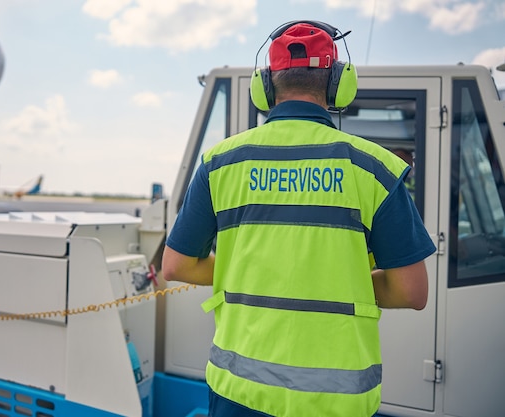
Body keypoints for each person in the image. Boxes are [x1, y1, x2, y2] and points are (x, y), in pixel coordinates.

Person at [162, 20, 436, 417]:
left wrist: (252, 272)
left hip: (238, 393)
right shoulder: (376, 169)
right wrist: (339, 279)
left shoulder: (219, 163)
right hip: (336, 401)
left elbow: (175, 265)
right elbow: (412, 292)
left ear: (265, 86)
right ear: (339, 83)